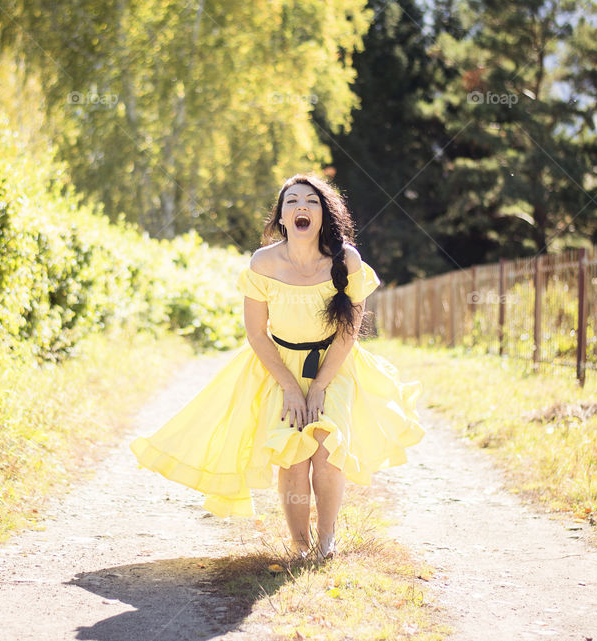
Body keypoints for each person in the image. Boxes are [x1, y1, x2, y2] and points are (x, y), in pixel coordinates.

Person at [130, 174, 425, 562]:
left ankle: (326, 540)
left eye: (312, 201)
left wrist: (319, 386)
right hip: (278, 367)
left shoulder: (346, 259)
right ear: (282, 218)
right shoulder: (263, 262)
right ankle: (300, 544)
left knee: (327, 444)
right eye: (292, 202)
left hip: (333, 365)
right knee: (291, 452)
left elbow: (349, 333)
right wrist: (288, 385)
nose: (301, 207)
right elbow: (256, 333)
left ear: (324, 214)